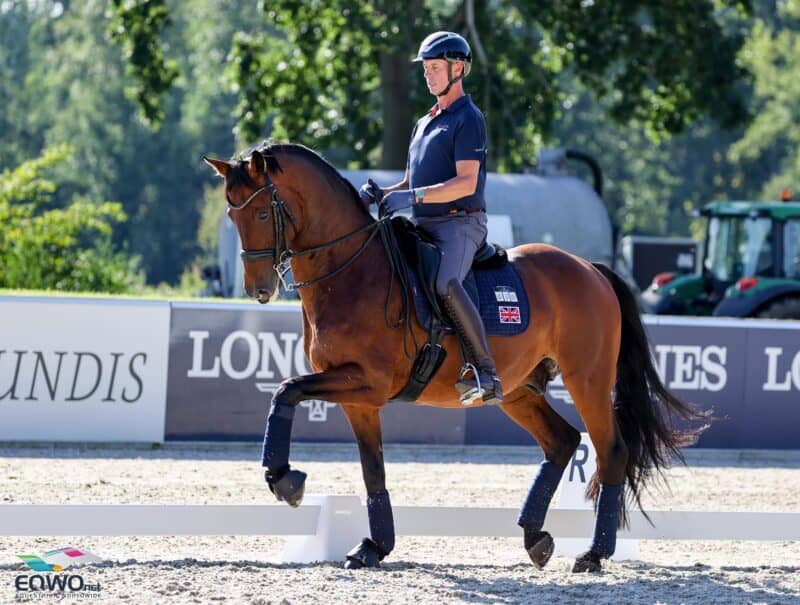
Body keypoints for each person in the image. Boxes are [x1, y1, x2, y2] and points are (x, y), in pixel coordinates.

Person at [359, 31, 502, 406]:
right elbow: (409, 181)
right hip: (424, 222)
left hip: (460, 223)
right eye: (425, 69)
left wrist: (414, 196)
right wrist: (382, 194)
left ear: (458, 69)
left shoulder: (468, 118)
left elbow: (465, 182)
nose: (428, 75)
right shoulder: (425, 122)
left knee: (446, 282)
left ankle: (486, 373)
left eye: (435, 68)